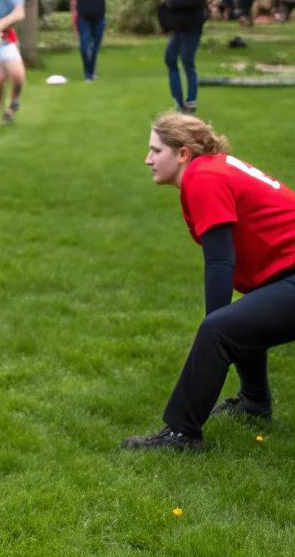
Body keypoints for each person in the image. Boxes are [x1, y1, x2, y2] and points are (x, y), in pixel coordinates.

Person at [123, 113, 295, 452]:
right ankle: (254, 403)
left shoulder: (204, 178)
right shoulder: (211, 168)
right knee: (237, 320)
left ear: (183, 153)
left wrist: (216, 326)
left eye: (156, 151)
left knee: (222, 328)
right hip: (285, 272)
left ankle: (182, 434)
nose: (148, 159)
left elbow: (220, 261)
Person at [158, 0, 210, 112]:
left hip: (191, 26)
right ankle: (179, 101)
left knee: (187, 62)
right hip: (178, 26)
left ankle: (191, 101)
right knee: (170, 58)